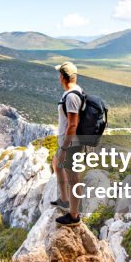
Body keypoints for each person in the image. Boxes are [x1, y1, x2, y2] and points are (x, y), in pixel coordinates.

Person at [51, 61, 83, 226]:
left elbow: (72, 124)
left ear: (63, 77)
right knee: (56, 165)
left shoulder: (71, 97)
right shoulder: (74, 92)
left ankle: (74, 216)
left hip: (71, 144)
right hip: (66, 141)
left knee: (73, 179)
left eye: (59, 75)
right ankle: (64, 200)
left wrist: (64, 148)